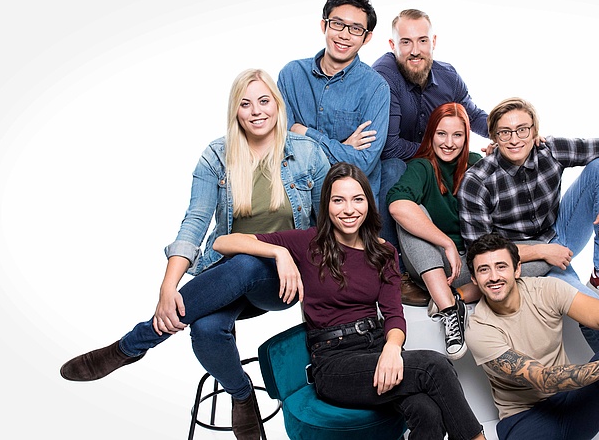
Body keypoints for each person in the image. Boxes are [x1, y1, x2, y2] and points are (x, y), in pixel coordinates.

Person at [59, 69, 331, 440]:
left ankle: (131, 346)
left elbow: (330, 226)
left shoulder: (307, 154)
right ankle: (241, 395)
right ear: (235, 111)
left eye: (264, 101)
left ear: (277, 105)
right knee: (205, 328)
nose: (256, 111)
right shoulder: (218, 156)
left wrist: (285, 256)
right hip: (227, 272)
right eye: (245, 104)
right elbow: (196, 221)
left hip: (284, 279)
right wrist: (166, 288)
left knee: (249, 262)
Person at [213, 162, 487, 440]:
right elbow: (223, 242)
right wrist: (278, 253)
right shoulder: (308, 242)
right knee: (435, 366)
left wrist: (393, 348)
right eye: (338, 200)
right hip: (334, 363)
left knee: (427, 411)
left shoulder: (384, 252)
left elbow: (393, 313)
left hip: (378, 348)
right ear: (327, 205)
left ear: (368, 203)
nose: (349, 209)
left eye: (357, 199)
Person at [457, 97, 599, 437]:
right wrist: (542, 252)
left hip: (559, 233)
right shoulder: (477, 181)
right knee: (594, 311)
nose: (515, 139)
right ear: (492, 139)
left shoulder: (550, 150)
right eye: (504, 133)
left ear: (535, 131)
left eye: (522, 130)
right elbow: (481, 253)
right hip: (519, 256)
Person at [464, 233, 599, 439]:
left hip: (572, 402)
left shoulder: (545, 290)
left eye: (501, 266)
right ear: (474, 278)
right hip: (525, 419)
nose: (494, 277)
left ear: (517, 269)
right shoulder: (479, 329)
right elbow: (541, 379)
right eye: (484, 270)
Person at [372, 8, 492, 299]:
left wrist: (509, 134)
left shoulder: (448, 76)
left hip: (435, 161)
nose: (415, 50)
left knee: (480, 167)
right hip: (400, 163)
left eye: (422, 41)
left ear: (433, 41)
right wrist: (436, 153)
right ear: (392, 45)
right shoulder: (382, 77)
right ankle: (394, 271)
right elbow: (391, 145)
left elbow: (473, 116)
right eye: (406, 42)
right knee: (392, 170)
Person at [386, 102, 483, 360]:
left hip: (470, 269)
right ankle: (449, 311)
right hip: (433, 267)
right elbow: (397, 206)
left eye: (457, 135)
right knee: (411, 210)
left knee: (538, 263)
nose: (449, 143)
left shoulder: (477, 164)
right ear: (431, 134)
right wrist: (446, 243)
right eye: (441, 133)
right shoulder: (423, 167)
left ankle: (459, 297)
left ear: (466, 137)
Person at [277, 0, 390, 203]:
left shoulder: (376, 88)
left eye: (356, 29)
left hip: (351, 210)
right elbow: (281, 147)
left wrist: (306, 133)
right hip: (298, 204)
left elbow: (364, 162)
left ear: (367, 38)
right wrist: (344, 147)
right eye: (337, 24)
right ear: (324, 26)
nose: (344, 35)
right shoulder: (291, 75)